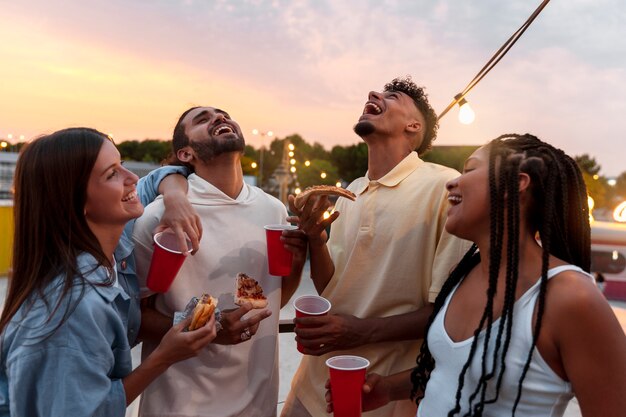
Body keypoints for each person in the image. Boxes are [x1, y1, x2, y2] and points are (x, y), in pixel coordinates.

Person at [327, 134, 626, 416]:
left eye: (470, 170)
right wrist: (388, 388)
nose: (452, 183)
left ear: (514, 184)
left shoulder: (570, 297)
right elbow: (455, 369)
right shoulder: (464, 277)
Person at [282, 76, 472, 417]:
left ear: (414, 126)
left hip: (376, 393)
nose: (373, 95)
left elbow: (449, 314)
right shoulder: (349, 192)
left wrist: (359, 332)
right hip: (312, 384)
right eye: (376, 93)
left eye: (392, 96)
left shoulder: (443, 187)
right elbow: (331, 287)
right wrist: (315, 239)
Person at [0, 128, 217, 417]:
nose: (132, 178)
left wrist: (176, 198)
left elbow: (157, 179)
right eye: (112, 174)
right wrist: (163, 357)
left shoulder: (112, 254)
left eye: (122, 165)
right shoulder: (70, 313)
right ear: (77, 201)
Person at [132, 106, 308, 417]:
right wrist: (210, 327)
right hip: (180, 407)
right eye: (202, 119)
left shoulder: (274, 210)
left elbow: (272, 301)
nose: (219, 118)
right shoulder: (159, 218)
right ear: (185, 154)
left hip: (258, 405)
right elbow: (133, 320)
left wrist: (298, 259)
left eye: (224, 114)